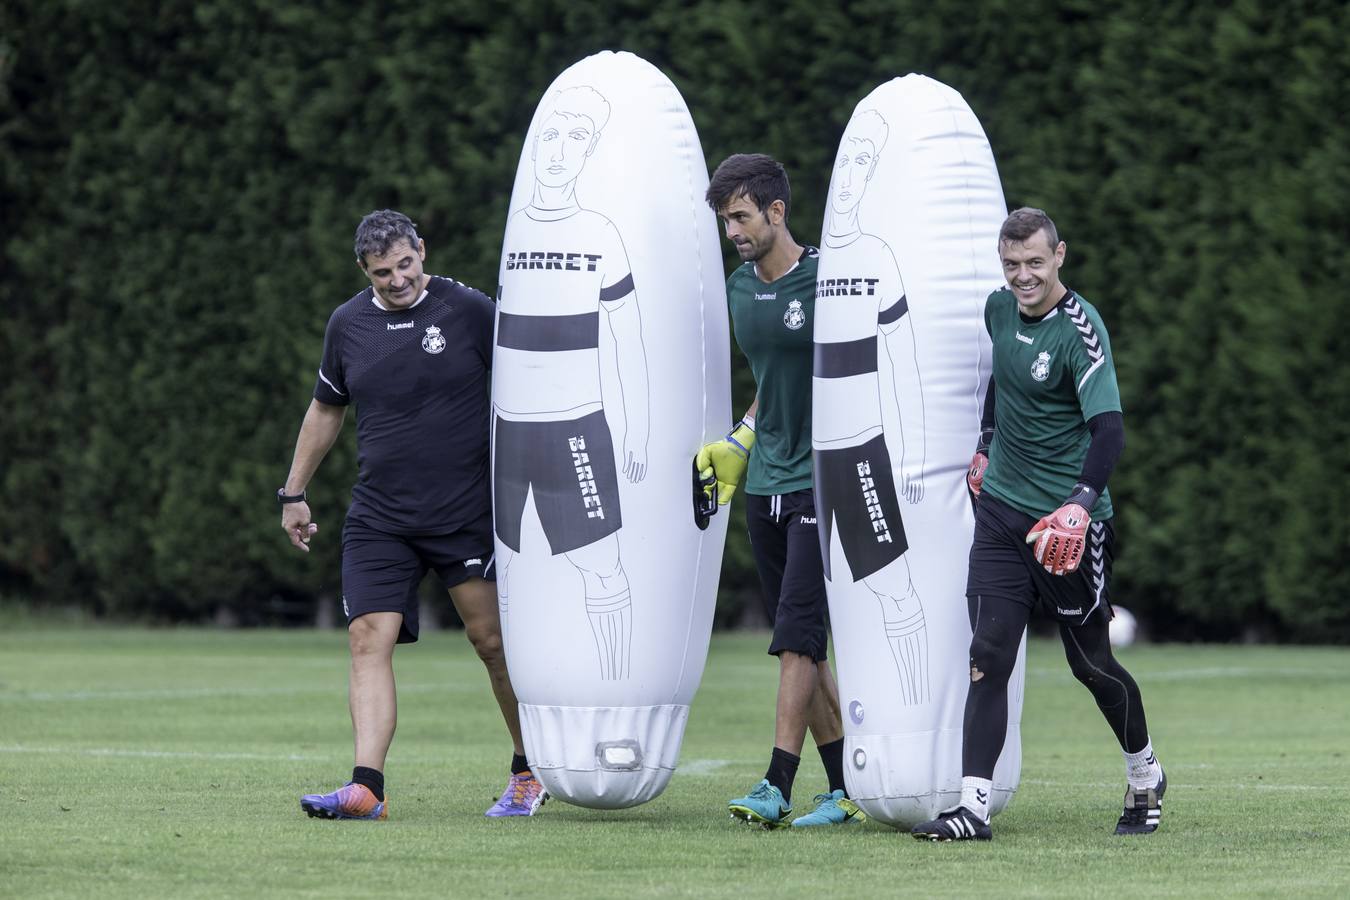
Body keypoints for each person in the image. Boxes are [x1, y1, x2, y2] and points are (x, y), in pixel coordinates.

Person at [281, 209, 545, 820]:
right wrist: (293, 492)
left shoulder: (469, 310)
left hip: (466, 511)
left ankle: (529, 771)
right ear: (363, 270)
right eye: (382, 272)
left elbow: (529, 385)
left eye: (405, 264)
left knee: (493, 643)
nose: (397, 279)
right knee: (367, 637)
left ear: (421, 251)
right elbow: (326, 409)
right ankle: (366, 788)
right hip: (380, 516)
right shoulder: (347, 326)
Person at [912, 207, 1165, 841]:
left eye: (1034, 262)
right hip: (999, 513)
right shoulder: (998, 310)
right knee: (987, 654)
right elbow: (1001, 383)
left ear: (1059, 256)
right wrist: (984, 442)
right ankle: (972, 806)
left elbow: (1109, 430)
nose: (1023, 276)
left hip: (1066, 528)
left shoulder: (1080, 331)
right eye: (1012, 264)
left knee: (1092, 666)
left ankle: (1145, 772)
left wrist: (1079, 505)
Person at [698, 154, 863, 829]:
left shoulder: (828, 281)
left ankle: (776, 784)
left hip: (817, 485)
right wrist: (741, 436)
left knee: (798, 636)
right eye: (724, 219)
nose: (732, 230)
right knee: (804, 645)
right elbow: (771, 383)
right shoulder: (740, 288)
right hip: (763, 481)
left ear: (776, 212)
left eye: (740, 216)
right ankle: (847, 788)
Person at [494, 86, 649, 680]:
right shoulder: (518, 234)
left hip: (575, 426)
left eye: (577, 137)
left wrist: (636, 431)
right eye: (552, 135)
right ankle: (532, 735)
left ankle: (616, 687)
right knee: (513, 572)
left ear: (589, 154)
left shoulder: (600, 234)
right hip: (511, 430)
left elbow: (629, 342)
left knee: (603, 565)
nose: (560, 150)